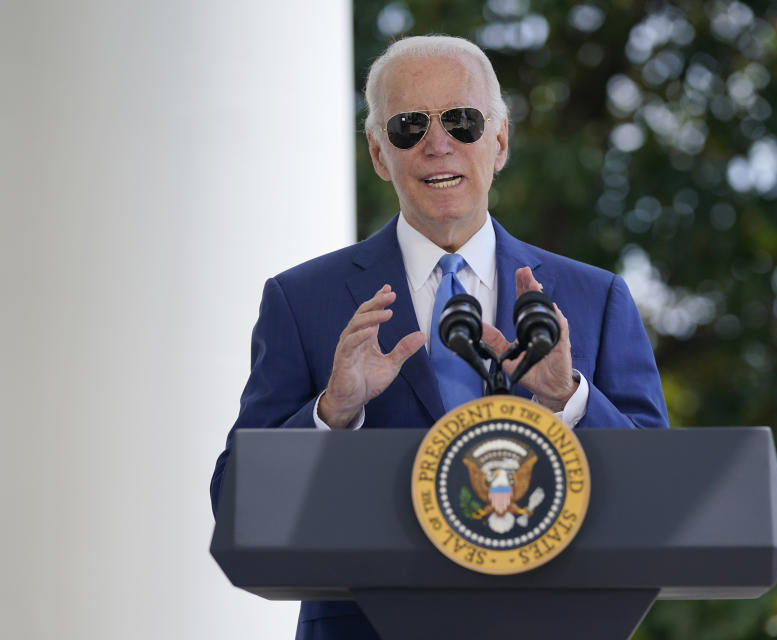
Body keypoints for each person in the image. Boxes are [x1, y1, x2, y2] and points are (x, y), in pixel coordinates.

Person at [211, 35, 669, 640]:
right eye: (407, 125)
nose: (437, 143)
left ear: (499, 141)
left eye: (461, 120)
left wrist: (569, 400)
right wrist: (332, 413)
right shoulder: (302, 301)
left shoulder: (595, 298)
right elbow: (237, 506)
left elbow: (660, 504)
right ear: (379, 153)